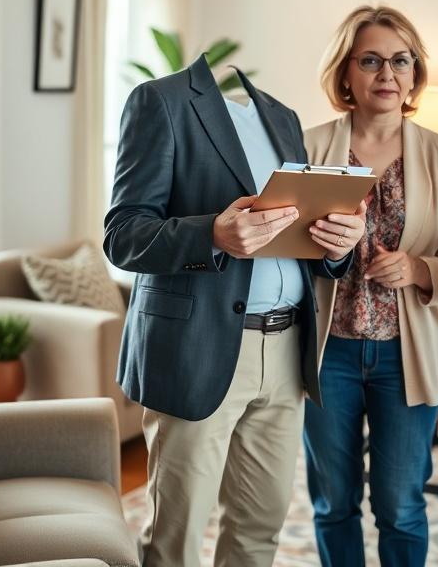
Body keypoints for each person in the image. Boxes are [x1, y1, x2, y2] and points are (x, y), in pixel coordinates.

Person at [103, 55, 366, 567]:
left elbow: (296, 233)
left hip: (288, 349)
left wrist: (339, 247)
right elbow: (122, 234)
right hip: (197, 348)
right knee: (175, 535)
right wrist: (212, 234)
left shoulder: (283, 117)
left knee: (260, 527)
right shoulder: (161, 102)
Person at [303, 5, 438, 566]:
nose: (387, 74)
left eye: (400, 61)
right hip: (329, 355)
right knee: (333, 503)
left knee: (401, 507)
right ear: (346, 73)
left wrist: (419, 269)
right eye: (371, 60)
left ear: (415, 73)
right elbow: (280, 261)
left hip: (409, 356)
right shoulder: (307, 149)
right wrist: (322, 252)